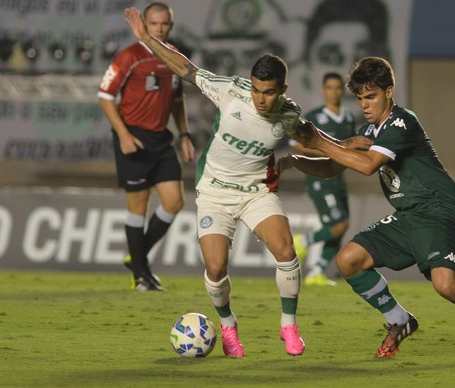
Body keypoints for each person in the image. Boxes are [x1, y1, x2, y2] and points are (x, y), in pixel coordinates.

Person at [123, 6, 368, 358]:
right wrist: (148, 39)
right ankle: (227, 325)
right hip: (214, 193)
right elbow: (186, 69)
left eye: (268, 92)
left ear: (282, 89)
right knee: (215, 267)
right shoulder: (230, 92)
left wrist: (346, 146)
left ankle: (288, 325)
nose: (260, 98)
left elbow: (314, 139)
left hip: (256, 192)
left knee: (285, 251)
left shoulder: (287, 115)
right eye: (255, 90)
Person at [280, 57, 455, 362]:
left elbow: (366, 166)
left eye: (372, 96)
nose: (365, 104)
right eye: (360, 98)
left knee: (446, 286)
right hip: (408, 216)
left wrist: (317, 140)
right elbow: (333, 164)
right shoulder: (370, 131)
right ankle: (400, 320)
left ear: (389, 91)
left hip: (439, 212)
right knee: (348, 259)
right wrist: (297, 160)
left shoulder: (401, 122)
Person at [98, 2, 194, 292]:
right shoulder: (129, 56)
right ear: (145, 25)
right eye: (153, 24)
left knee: (174, 202)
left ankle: (137, 257)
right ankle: (141, 274)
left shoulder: (174, 57)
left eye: (164, 24)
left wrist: (185, 134)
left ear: (170, 26)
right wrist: (124, 135)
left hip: (161, 138)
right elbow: (105, 96)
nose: (159, 29)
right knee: (138, 207)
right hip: (134, 137)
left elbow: (177, 100)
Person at [291, 72, 356, 286]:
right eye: (330, 88)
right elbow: (295, 145)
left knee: (342, 226)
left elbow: (350, 145)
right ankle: (304, 241)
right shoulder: (314, 118)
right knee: (339, 224)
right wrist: (324, 152)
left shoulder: (348, 117)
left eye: (338, 88)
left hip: (338, 178)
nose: (334, 92)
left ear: (342, 91)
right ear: (323, 90)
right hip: (319, 177)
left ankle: (316, 271)